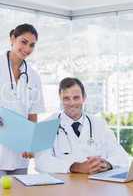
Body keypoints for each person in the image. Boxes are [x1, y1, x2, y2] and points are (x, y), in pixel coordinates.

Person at [35, 77, 129, 174]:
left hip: (96, 185)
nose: (71, 103)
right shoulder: (45, 126)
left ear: (84, 98)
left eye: (76, 98)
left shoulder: (99, 124)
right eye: (66, 98)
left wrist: (106, 164)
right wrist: (75, 167)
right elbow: (41, 162)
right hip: (64, 186)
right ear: (60, 98)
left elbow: (121, 156)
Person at [0, 23, 44, 176]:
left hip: (20, 154)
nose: (27, 49)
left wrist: (31, 142)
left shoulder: (33, 76)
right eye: (23, 42)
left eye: (32, 45)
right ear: (13, 38)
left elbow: (32, 115)